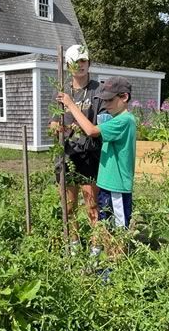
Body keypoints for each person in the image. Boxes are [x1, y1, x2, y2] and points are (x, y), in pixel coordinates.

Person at [57, 76, 136, 256]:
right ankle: (105, 265)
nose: (105, 104)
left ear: (124, 97)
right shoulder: (114, 119)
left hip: (117, 187)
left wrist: (70, 104)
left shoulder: (125, 120)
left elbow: (92, 131)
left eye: (109, 100)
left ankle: (115, 268)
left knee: (118, 231)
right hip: (107, 185)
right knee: (106, 225)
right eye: (103, 100)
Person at [49, 44, 105, 251]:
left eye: (83, 61)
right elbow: (54, 121)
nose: (80, 66)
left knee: (92, 203)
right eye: (75, 62)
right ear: (68, 65)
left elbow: (99, 125)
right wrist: (57, 126)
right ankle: (73, 244)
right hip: (67, 153)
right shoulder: (62, 92)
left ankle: (95, 248)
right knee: (69, 205)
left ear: (89, 63)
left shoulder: (98, 90)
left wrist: (76, 124)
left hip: (90, 155)